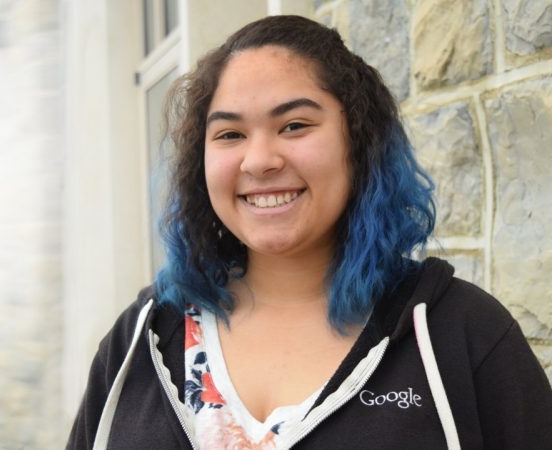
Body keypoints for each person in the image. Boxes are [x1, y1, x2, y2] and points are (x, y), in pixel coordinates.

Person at [66, 15, 552, 450]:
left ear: (359, 143)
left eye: (295, 125)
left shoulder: (460, 333)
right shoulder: (140, 340)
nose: (259, 160)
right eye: (230, 134)